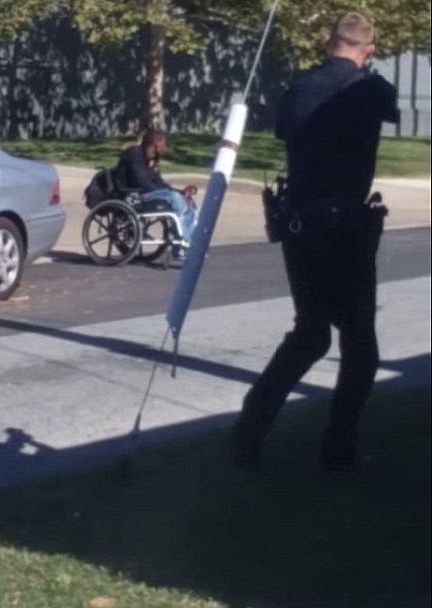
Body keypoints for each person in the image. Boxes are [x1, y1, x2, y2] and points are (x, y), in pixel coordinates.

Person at [233, 12, 399, 473]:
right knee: (360, 347)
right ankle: (338, 447)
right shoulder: (372, 91)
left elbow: (289, 133)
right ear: (369, 50)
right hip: (346, 229)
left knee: (310, 333)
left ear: (329, 43)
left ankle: (250, 429)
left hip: (300, 227)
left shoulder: (299, 88)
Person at [116, 129, 198, 256]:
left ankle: (185, 242)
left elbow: (160, 183)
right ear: (155, 143)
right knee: (175, 198)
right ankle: (183, 244)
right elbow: (141, 183)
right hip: (134, 195)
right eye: (163, 144)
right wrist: (169, 193)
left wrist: (180, 192)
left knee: (189, 202)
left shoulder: (149, 159)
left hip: (149, 193)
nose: (165, 148)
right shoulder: (134, 154)